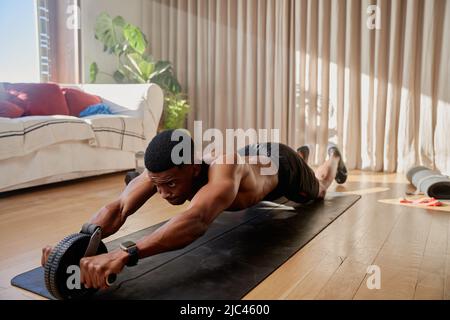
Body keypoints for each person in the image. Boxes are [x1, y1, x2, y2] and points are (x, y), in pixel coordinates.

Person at [41, 129, 347, 289]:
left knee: (318, 190)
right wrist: (74, 244)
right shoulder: (168, 169)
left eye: (171, 185)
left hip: (282, 168)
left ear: (193, 167)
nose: (162, 194)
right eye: (157, 184)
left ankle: (332, 157)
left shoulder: (222, 169)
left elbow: (197, 219)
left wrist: (125, 253)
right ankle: (302, 151)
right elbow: (120, 207)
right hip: (254, 157)